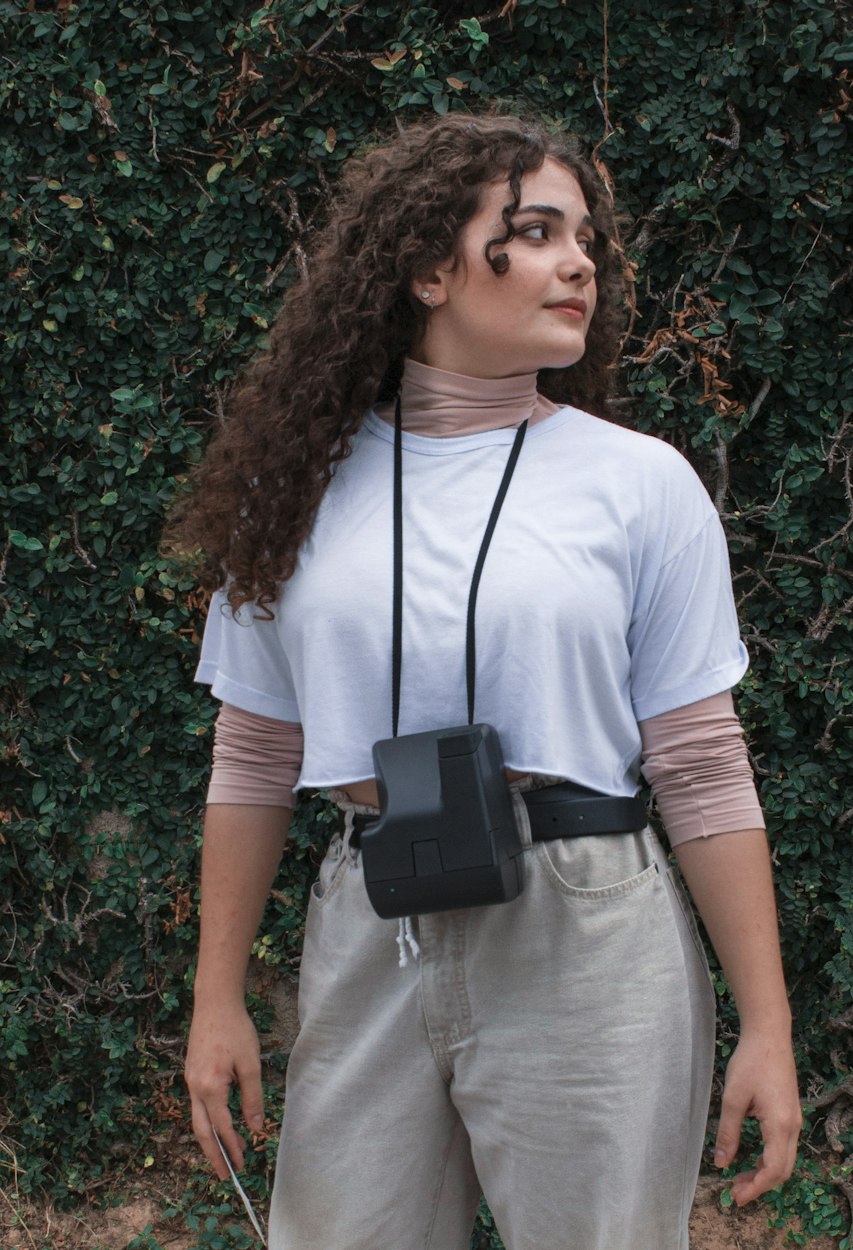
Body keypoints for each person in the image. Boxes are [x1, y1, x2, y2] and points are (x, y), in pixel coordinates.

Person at [171, 113, 801, 1250]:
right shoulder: (295, 493)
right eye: (537, 232)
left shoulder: (639, 487)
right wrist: (217, 998)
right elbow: (255, 755)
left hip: (586, 927)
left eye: (587, 241)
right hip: (376, 918)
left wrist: (767, 1020)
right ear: (425, 269)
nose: (580, 262)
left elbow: (702, 765)